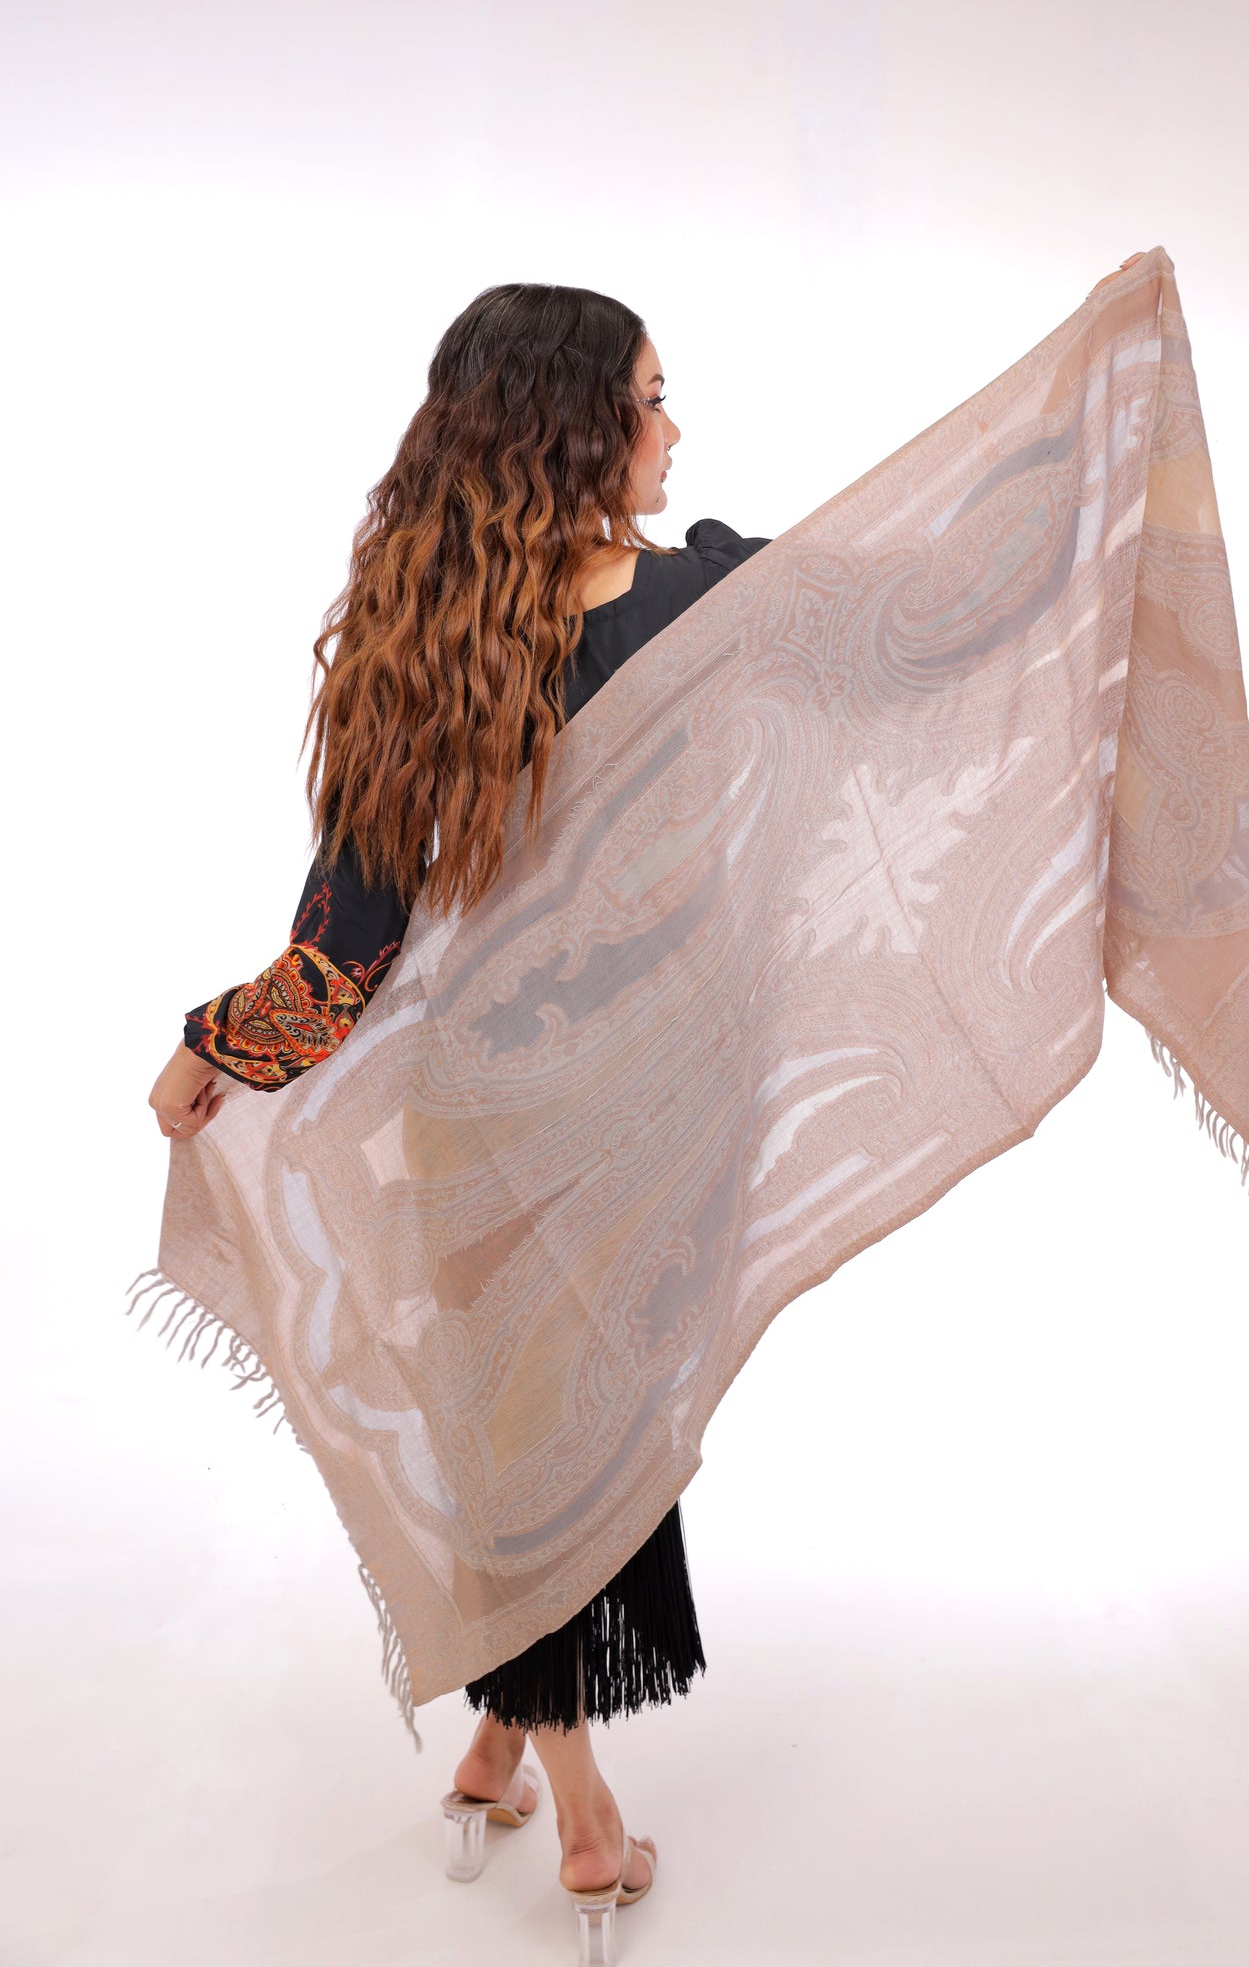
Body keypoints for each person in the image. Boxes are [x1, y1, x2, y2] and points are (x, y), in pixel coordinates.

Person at [145, 282, 773, 1927]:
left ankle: (500, 1744)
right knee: (577, 1445)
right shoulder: (701, 601)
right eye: (650, 398)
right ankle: (587, 1823)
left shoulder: (419, 634)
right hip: (656, 1097)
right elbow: (920, 607)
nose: (672, 428)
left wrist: (217, 1042)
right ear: (577, 426)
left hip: (479, 1104)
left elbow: (338, 955)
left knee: (528, 1435)